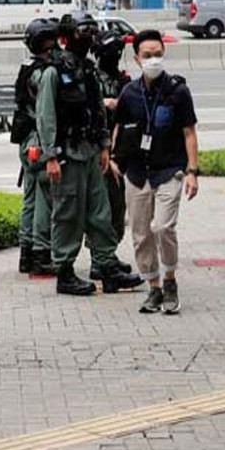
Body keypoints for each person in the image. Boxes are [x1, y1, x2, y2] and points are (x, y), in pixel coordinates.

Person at [36, 11, 143, 296]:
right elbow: (45, 117)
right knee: (68, 215)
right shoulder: (53, 73)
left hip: (91, 152)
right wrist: (50, 157)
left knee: (101, 212)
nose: (87, 39)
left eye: (90, 34)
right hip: (66, 156)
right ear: (66, 38)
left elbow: (97, 110)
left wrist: (105, 145)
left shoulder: (88, 70)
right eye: (81, 33)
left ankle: (107, 267)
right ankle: (65, 272)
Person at [116, 30, 200, 315]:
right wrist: (115, 158)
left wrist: (192, 171)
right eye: (147, 55)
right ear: (137, 59)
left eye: (158, 54)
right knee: (141, 234)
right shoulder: (129, 93)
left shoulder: (178, 91)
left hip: (169, 170)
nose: (153, 59)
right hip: (137, 173)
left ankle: (170, 280)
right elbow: (119, 127)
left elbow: (189, 133)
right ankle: (153, 287)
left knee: (162, 227)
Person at [14, 18, 59, 276]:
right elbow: (44, 114)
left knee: (30, 198)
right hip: (37, 140)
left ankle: (26, 252)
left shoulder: (27, 67)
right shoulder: (43, 73)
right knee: (44, 197)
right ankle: (41, 254)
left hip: (26, 141)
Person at [88, 29, 133, 280]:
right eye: (110, 52)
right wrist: (105, 103)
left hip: (120, 148)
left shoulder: (123, 79)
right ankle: (99, 258)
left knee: (117, 206)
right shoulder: (93, 78)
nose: (114, 57)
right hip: (99, 150)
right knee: (101, 207)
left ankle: (109, 253)